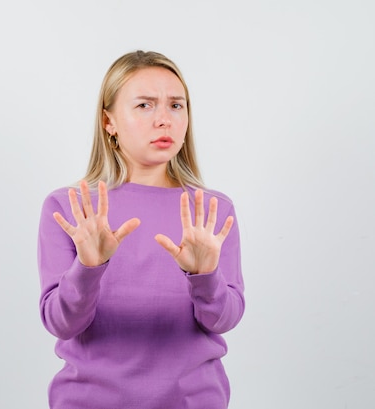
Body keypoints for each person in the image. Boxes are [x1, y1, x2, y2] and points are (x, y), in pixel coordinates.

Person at [37, 50, 245, 409]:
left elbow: (224, 319)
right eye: (145, 106)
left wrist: (204, 275)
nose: (164, 119)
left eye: (176, 106)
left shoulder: (212, 210)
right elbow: (61, 324)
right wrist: (88, 268)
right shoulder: (70, 208)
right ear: (109, 121)